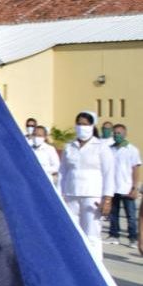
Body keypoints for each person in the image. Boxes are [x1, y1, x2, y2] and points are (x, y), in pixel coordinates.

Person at [58, 111, 115, 260]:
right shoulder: (70, 146)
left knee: (92, 233)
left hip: (92, 195)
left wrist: (107, 198)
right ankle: (75, 263)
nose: (81, 127)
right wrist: (59, 194)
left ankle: (96, 266)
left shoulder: (101, 147)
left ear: (92, 126)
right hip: (71, 194)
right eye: (79, 124)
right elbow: (63, 172)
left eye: (85, 124)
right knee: (72, 232)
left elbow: (109, 173)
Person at [105, 124, 140, 247]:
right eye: (114, 133)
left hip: (127, 187)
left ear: (125, 134)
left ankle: (133, 238)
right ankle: (114, 235)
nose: (116, 135)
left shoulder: (132, 150)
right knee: (113, 214)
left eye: (119, 133)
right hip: (112, 188)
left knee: (130, 215)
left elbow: (136, 169)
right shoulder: (109, 149)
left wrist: (135, 187)